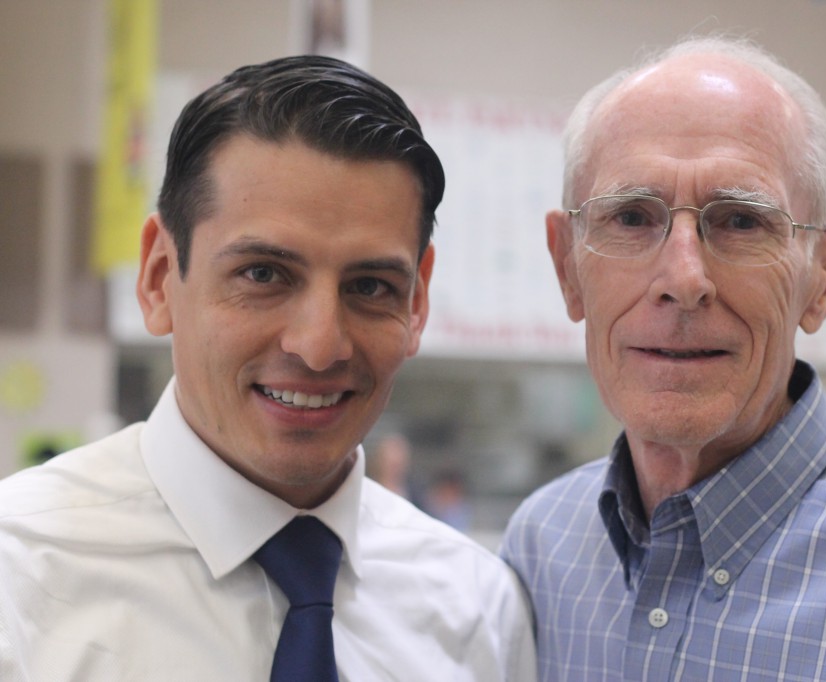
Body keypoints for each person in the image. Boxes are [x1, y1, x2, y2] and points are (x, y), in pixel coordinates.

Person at [500, 34, 826, 681]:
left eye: (741, 221)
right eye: (632, 217)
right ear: (566, 266)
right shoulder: (542, 550)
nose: (683, 278)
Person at [0, 56, 535, 681]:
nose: (319, 345)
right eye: (262, 274)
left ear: (416, 303)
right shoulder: (20, 578)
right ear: (156, 278)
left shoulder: (476, 610)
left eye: (369, 286)